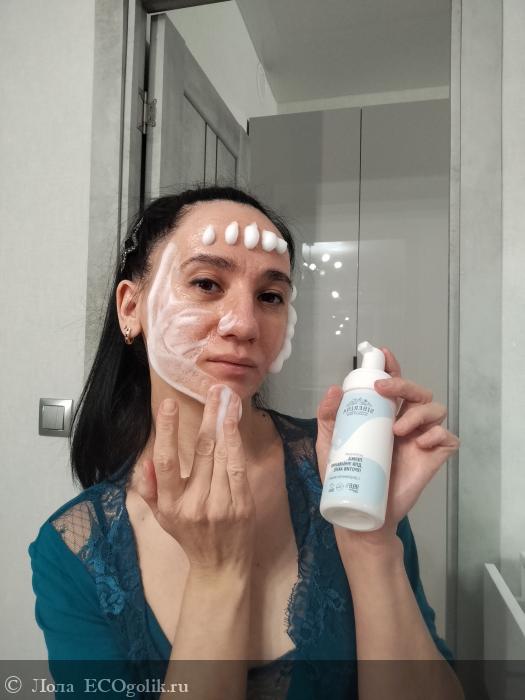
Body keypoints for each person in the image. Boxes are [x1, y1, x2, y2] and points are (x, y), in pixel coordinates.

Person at [29, 185, 464, 699]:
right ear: (131, 308)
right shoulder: (73, 552)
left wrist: (371, 542)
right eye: (207, 283)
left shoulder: (347, 472)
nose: (245, 324)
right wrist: (217, 575)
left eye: (270, 296)